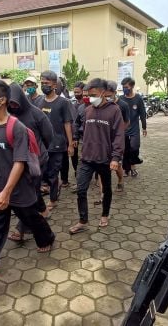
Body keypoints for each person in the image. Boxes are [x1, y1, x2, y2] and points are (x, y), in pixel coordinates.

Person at [0, 80, 55, 281]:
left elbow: (19, 161)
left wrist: (7, 191)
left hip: (18, 188)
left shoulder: (17, 128)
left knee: (30, 217)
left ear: (2, 101)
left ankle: (47, 237)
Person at [68, 78, 124, 234]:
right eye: (88, 94)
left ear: (103, 92)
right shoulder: (87, 110)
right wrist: (75, 139)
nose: (90, 98)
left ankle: (105, 214)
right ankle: (82, 220)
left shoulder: (114, 110)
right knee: (81, 190)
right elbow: (81, 128)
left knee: (106, 189)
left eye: (93, 94)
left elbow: (119, 135)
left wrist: (115, 158)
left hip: (105, 159)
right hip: (87, 158)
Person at [5, 83, 54, 241]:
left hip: (36, 161)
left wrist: (38, 151)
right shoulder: (9, 116)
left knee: (27, 195)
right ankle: (44, 211)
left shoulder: (36, 114)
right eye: (9, 103)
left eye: (15, 103)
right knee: (31, 191)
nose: (13, 106)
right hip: (18, 162)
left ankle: (21, 229)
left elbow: (48, 136)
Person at [36, 71, 74, 213]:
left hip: (58, 144)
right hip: (42, 145)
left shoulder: (63, 102)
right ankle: (52, 188)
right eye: (42, 83)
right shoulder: (39, 101)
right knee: (43, 173)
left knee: (53, 173)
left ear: (54, 84)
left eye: (46, 83)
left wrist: (70, 144)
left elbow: (67, 123)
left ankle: (53, 200)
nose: (44, 85)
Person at [105, 81, 130, 192]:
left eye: (109, 95)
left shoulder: (123, 105)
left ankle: (120, 180)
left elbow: (127, 122)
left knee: (117, 164)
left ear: (115, 92)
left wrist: (119, 133)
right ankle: (103, 188)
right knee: (104, 164)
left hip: (118, 139)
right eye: (105, 95)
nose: (106, 98)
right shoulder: (102, 104)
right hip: (105, 139)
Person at [120, 77, 147, 177]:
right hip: (124, 129)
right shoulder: (121, 99)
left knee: (134, 148)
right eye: (123, 87)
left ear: (131, 86)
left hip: (134, 129)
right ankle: (126, 169)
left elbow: (142, 114)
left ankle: (133, 166)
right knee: (125, 150)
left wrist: (144, 127)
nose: (124, 89)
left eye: (126, 87)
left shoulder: (138, 98)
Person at [70, 82, 87, 191]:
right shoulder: (73, 105)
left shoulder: (89, 106)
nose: (76, 94)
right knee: (75, 159)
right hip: (77, 137)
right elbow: (73, 123)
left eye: (78, 92)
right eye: (74, 92)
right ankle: (79, 179)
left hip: (88, 138)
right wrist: (74, 137)